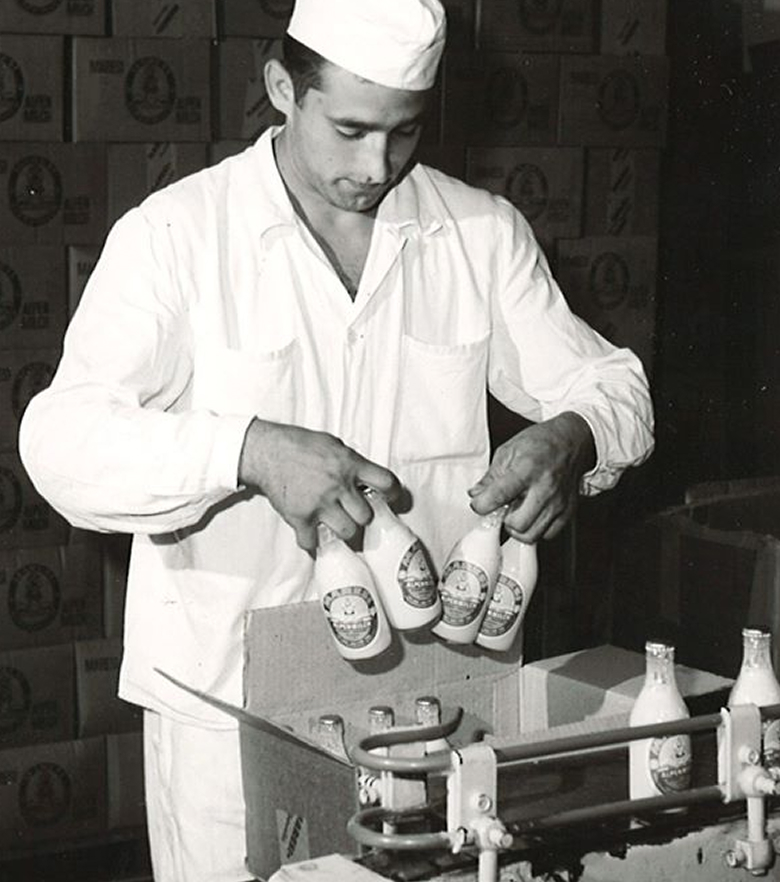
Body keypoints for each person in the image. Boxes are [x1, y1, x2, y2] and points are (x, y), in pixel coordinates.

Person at [19, 0, 654, 878]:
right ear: (283, 88)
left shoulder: (477, 234)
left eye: (404, 132)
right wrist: (246, 450)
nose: (376, 166)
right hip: (232, 712)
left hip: (433, 704)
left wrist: (575, 436)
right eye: (350, 130)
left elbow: (616, 385)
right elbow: (59, 441)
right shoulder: (179, 236)